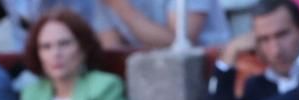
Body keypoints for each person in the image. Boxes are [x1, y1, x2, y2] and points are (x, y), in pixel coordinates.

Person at [19, 8, 130, 100]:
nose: (56, 53)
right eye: (46, 47)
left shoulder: (104, 88)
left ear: (83, 48)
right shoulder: (32, 94)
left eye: (64, 44)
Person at [100, 0, 233, 48]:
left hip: (204, 73)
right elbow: (111, 47)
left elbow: (179, 41)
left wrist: (121, 7)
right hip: (145, 75)